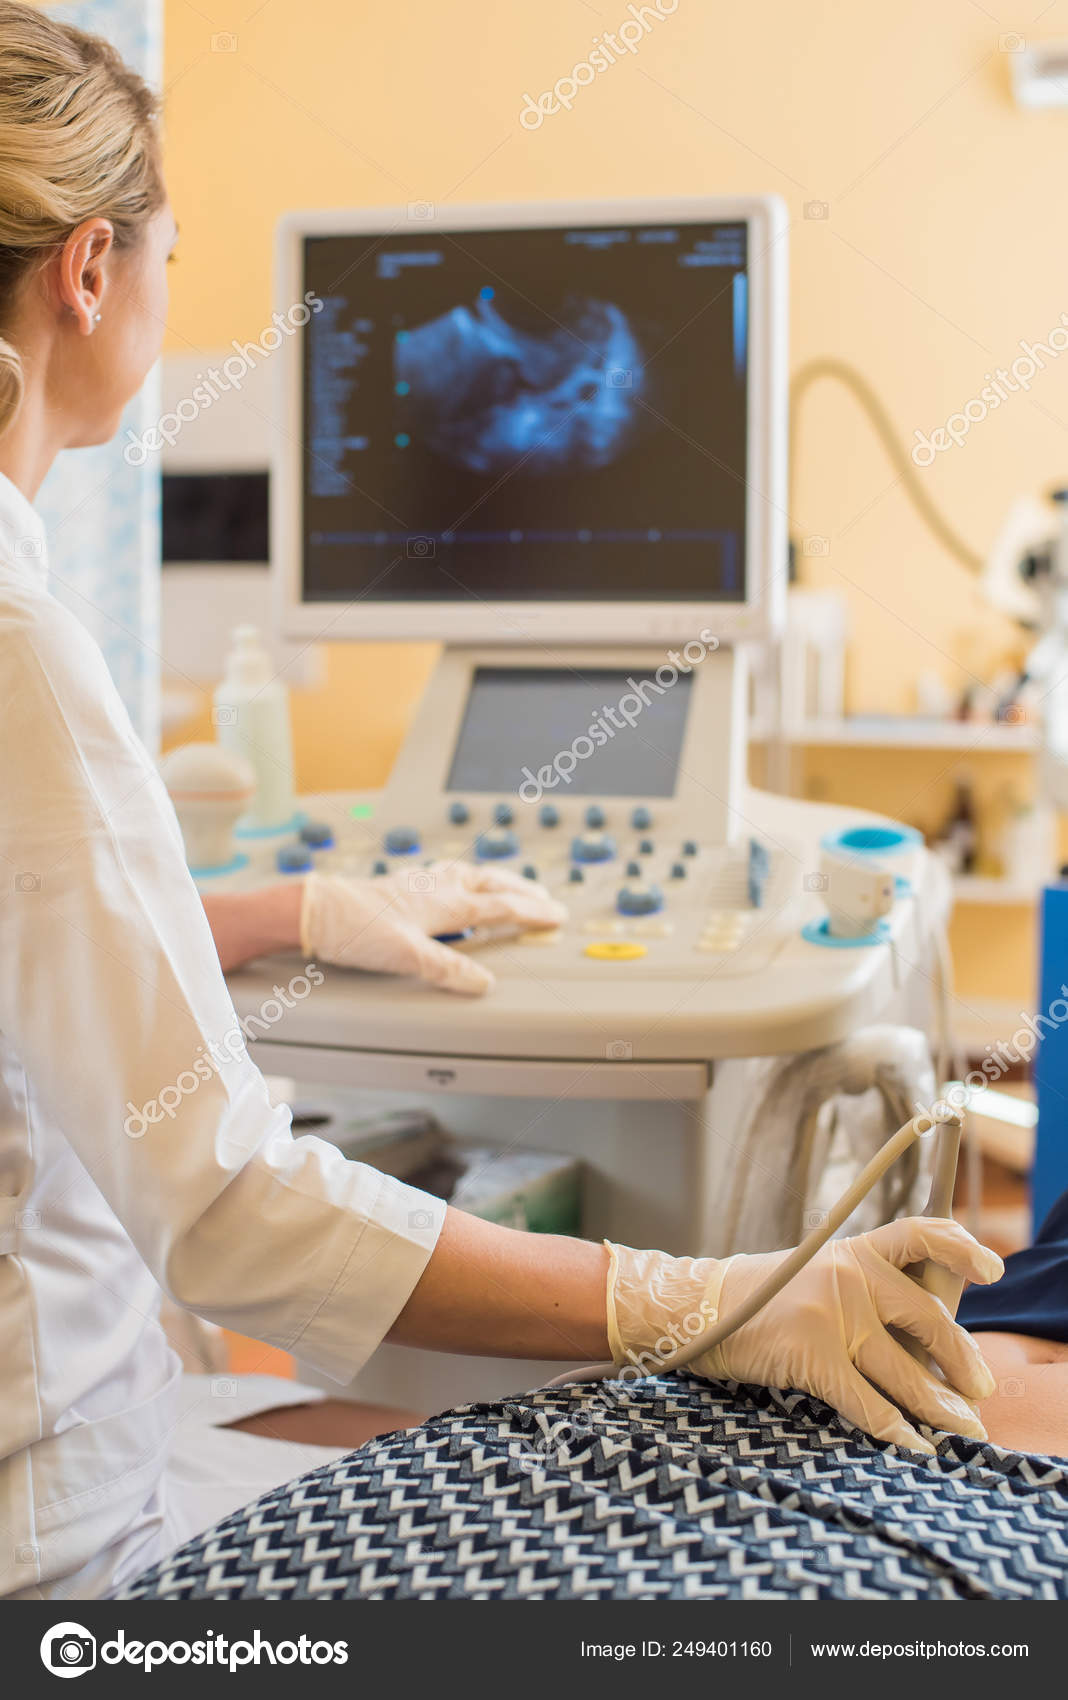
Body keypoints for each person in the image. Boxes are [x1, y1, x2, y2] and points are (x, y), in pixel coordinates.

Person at [0, 0, 1003, 1602]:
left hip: (82, 1431)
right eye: (175, 254)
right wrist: (715, 1299)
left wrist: (299, 910)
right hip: (58, 1548)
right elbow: (232, 1210)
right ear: (94, 268)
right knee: (716, 1541)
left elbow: (38, 947)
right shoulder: (23, 650)